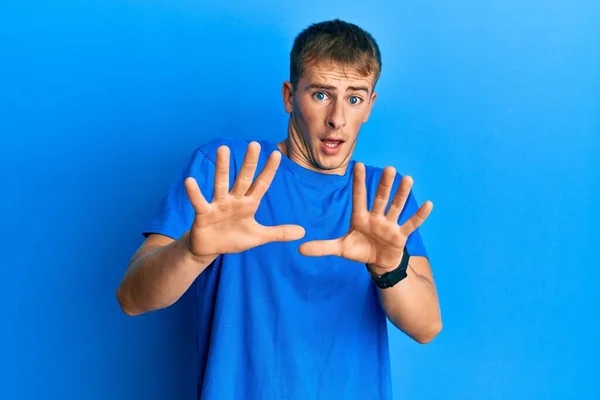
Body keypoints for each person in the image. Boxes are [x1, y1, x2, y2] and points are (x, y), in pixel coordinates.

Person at [116, 18, 442, 400]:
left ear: (370, 105)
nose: (337, 117)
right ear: (290, 96)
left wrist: (390, 269)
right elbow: (132, 298)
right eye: (321, 94)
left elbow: (426, 326)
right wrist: (191, 252)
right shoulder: (227, 171)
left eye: (354, 98)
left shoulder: (381, 198)